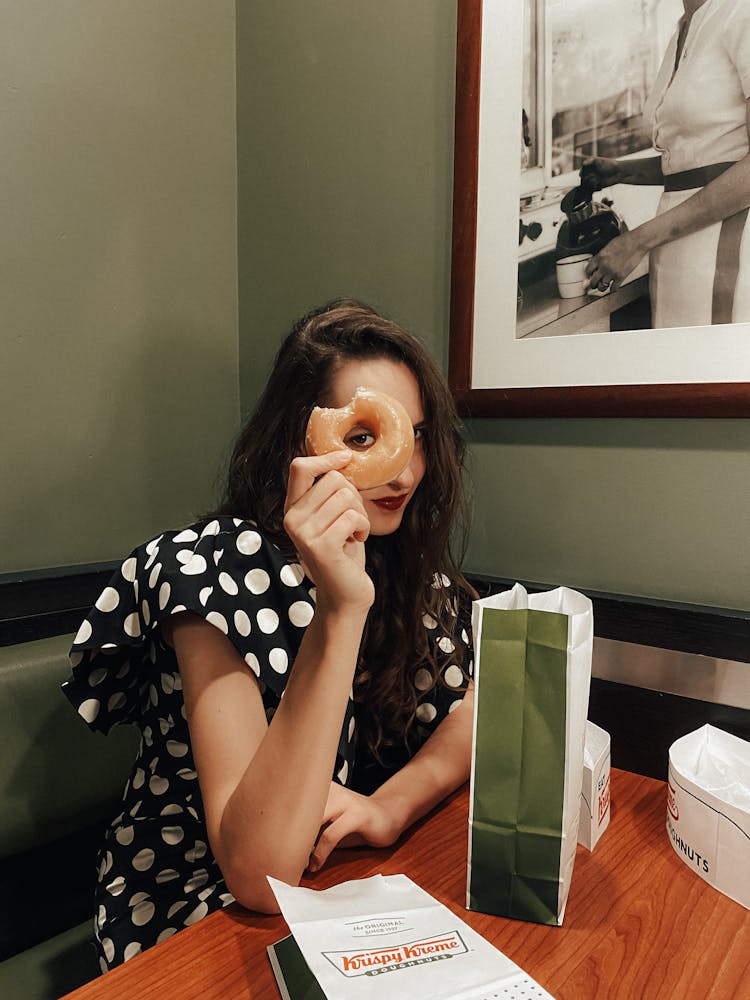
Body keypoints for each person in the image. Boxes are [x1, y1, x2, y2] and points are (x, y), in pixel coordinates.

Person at [62, 299, 476, 972]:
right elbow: (257, 873)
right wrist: (340, 611)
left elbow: (473, 712)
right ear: (302, 440)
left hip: (331, 896)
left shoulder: (399, 566)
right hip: (195, 912)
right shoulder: (209, 571)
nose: (406, 473)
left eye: (420, 437)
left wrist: (389, 809)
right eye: (366, 438)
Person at [583, 0, 750, 329]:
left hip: (733, 245)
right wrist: (622, 171)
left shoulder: (741, 12)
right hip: (678, 248)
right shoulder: (683, 29)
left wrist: (637, 241)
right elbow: (697, 158)